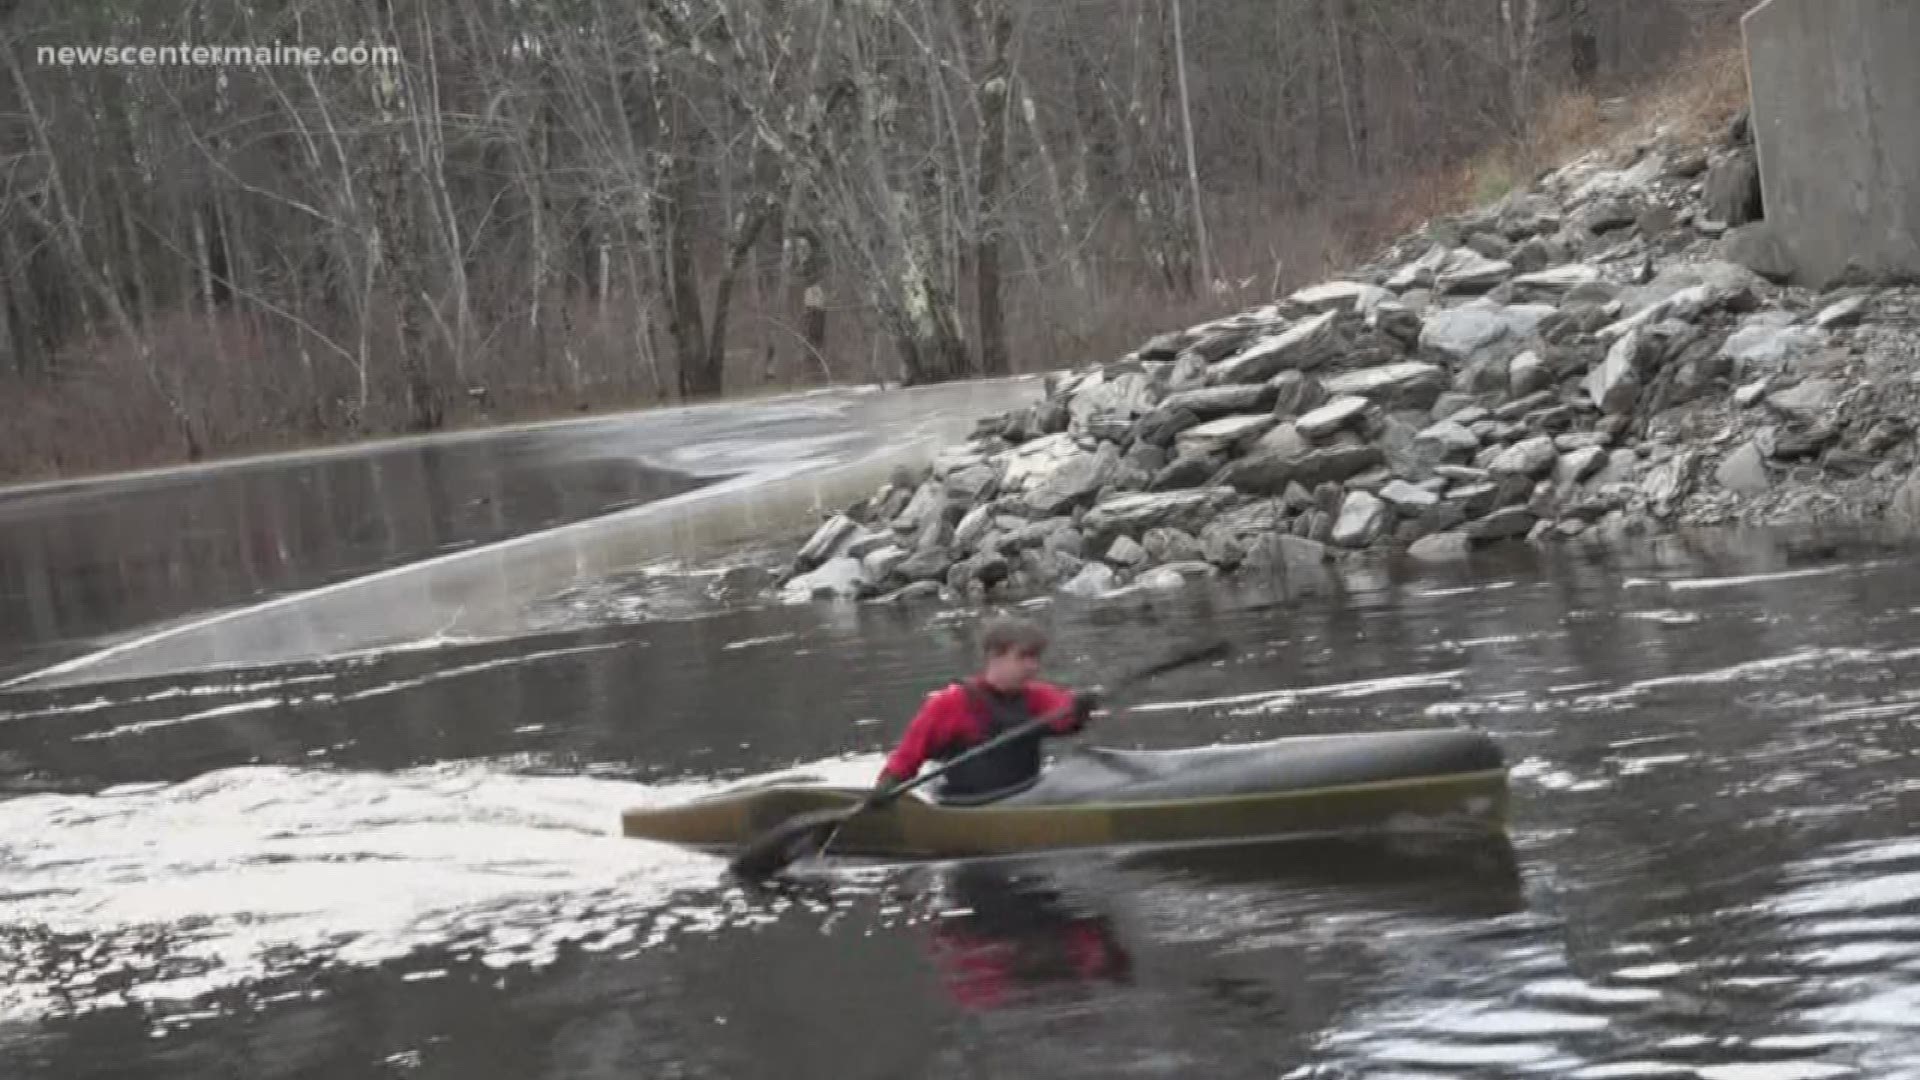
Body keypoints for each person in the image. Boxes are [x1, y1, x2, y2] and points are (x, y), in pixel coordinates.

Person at [874, 615, 1101, 805]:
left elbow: (1065, 716)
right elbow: (908, 755)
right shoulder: (950, 703)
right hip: (968, 804)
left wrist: (1081, 707)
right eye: (1024, 657)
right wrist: (888, 785)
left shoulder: (1038, 696)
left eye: (1036, 658)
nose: (1033, 666)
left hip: (1027, 797)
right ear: (995, 656)